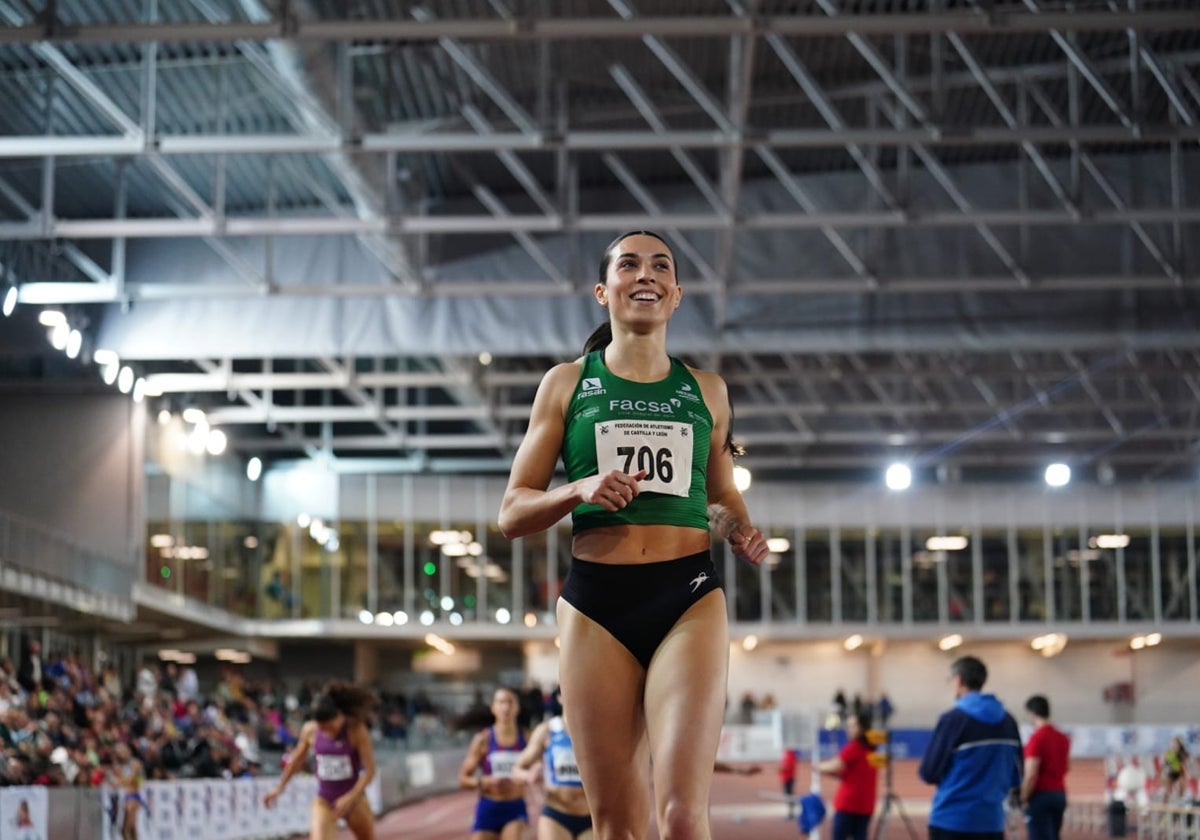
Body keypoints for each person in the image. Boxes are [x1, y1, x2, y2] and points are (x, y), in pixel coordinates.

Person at [498, 230, 769, 840]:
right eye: (629, 264)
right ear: (604, 290)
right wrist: (578, 489)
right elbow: (511, 512)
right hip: (597, 604)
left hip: (688, 596)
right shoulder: (567, 384)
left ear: (676, 295)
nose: (645, 274)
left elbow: (721, 500)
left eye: (660, 266)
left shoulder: (707, 391)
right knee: (617, 824)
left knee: (679, 816)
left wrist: (740, 531)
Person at [918, 655, 1022, 840]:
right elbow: (1016, 774)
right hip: (992, 822)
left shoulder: (953, 720)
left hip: (951, 820)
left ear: (958, 680)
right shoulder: (1009, 721)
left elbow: (929, 772)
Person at [264, 681, 378, 840]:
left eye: (330, 727)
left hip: (354, 801)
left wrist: (350, 797)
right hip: (324, 799)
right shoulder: (310, 730)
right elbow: (296, 761)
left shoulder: (356, 730)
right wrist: (279, 788)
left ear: (339, 715)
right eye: (322, 728)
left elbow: (370, 771)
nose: (327, 732)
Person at [459, 686, 530, 840]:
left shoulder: (526, 738)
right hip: (488, 808)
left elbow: (541, 768)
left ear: (517, 708)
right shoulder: (483, 739)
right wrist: (485, 782)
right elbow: (463, 779)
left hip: (514, 807)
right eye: (501, 702)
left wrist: (528, 775)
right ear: (493, 708)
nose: (506, 707)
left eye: (510, 702)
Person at [513, 706, 592, 840]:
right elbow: (516, 769)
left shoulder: (597, 730)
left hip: (589, 816)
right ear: (560, 698)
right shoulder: (547, 730)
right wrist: (528, 776)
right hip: (556, 814)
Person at [816, 711, 879, 840]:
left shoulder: (854, 747)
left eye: (852, 726)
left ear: (862, 728)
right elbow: (853, 773)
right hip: (866, 805)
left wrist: (817, 766)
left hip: (849, 804)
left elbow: (834, 765)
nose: (848, 729)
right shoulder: (871, 748)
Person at [1019, 694, 1070, 840]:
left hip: (1040, 796)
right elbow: (1066, 767)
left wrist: (1023, 797)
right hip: (1059, 795)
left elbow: (1031, 775)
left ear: (1032, 714)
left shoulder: (1036, 739)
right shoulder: (1063, 738)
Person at [1162, 735, 1190, 802]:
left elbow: (1185, 759)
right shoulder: (1169, 752)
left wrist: (1179, 753)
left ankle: (1180, 801)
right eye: (1174, 743)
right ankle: (1164, 804)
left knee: (1181, 786)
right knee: (1167, 790)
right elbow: (1165, 762)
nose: (1175, 745)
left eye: (1176, 743)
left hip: (1180, 772)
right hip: (1171, 772)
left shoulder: (1182, 752)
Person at [779, 746, 798, 821]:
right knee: (788, 795)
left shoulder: (789, 754)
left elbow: (787, 767)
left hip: (788, 778)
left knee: (788, 796)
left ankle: (791, 813)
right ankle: (790, 812)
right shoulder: (788, 754)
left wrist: (779, 769)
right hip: (787, 777)